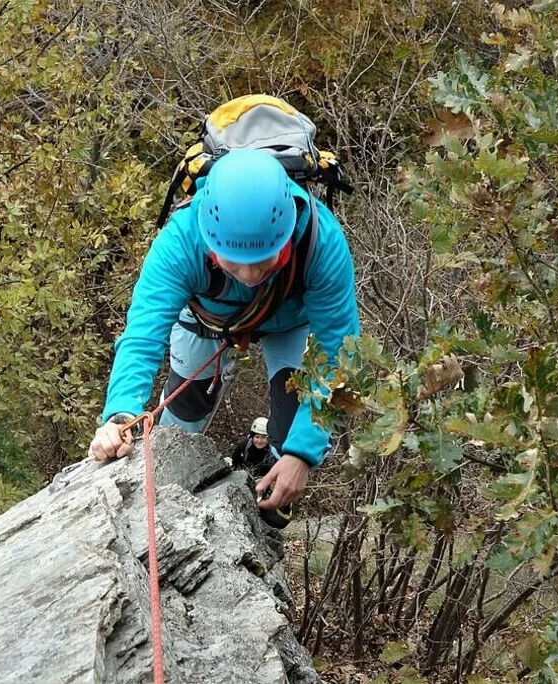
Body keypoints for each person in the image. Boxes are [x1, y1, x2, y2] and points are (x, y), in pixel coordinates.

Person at [88, 147, 361, 518]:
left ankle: (271, 501)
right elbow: (143, 335)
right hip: (208, 320)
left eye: (265, 260)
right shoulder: (181, 240)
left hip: (290, 322)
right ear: (210, 239)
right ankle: (160, 498)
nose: (249, 276)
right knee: (185, 412)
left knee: (292, 430)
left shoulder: (320, 240)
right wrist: (120, 415)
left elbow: (338, 354)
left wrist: (303, 454)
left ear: (287, 232)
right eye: (234, 262)